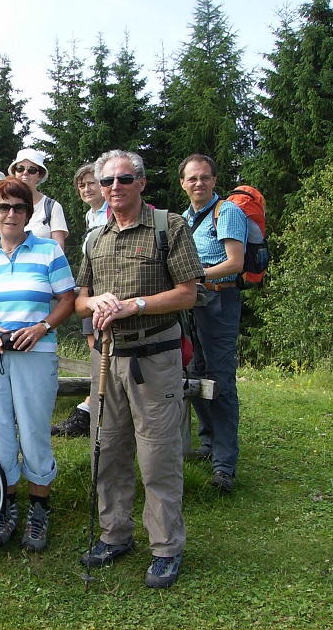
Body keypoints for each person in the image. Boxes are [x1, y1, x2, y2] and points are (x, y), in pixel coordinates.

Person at [75, 149, 203, 589]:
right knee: (108, 450)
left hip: (156, 358)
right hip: (106, 359)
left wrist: (136, 305)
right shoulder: (95, 238)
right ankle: (115, 536)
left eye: (123, 180)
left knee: (157, 455)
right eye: (106, 181)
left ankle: (166, 547)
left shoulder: (170, 227)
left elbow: (189, 293)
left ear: (141, 182)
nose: (114, 188)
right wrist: (94, 303)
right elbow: (78, 299)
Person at [0, 176, 75, 551]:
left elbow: (67, 300)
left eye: (19, 207)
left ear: (29, 213)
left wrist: (42, 327)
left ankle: (39, 511)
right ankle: (7, 508)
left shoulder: (49, 252)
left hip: (35, 354)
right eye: (3, 207)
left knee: (34, 432)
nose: (11, 214)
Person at [179, 154, 247, 493]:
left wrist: (197, 275)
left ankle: (224, 465)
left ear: (214, 180)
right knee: (194, 372)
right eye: (192, 178)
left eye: (204, 177)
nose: (199, 183)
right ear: (183, 183)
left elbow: (236, 262)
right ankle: (208, 443)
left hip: (220, 299)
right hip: (193, 302)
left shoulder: (228, 212)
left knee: (219, 379)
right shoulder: (184, 218)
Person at [52, 161, 109, 437]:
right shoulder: (92, 215)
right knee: (95, 351)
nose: (86, 188)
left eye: (91, 183)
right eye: (81, 185)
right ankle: (95, 410)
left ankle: (90, 411)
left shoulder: (111, 212)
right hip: (90, 291)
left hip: (106, 292)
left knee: (105, 353)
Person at [7, 148, 69, 251]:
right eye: (20, 169)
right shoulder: (2, 205)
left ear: (40, 175)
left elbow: (58, 250)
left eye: (31, 170)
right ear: (15, 172)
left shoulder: (52, 207)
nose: (25, 173)